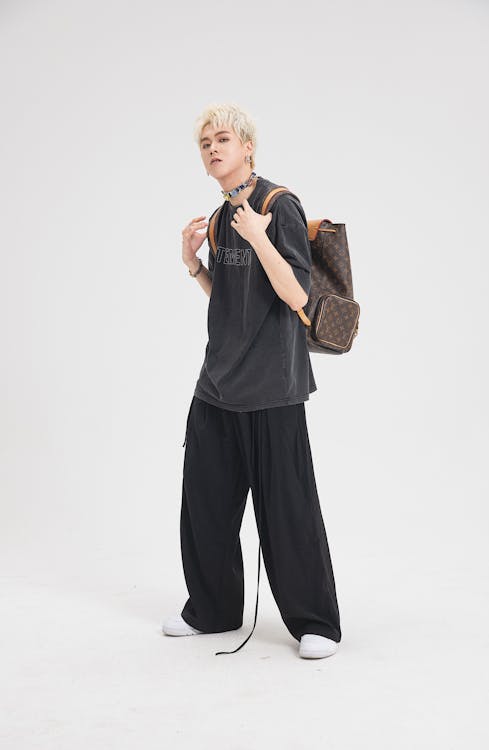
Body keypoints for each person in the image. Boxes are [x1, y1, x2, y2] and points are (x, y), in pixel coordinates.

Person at [162, 103, 342, 659]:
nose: (213, 149)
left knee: (287, 508)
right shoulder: (218, 219)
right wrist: (194, 264)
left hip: (273, 384)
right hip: (216, 383)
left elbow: (296, 297)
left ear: (247, 148)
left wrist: (261, 237)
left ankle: (316, 622)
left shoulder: (278, 204)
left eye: (222, 140)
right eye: (205, 144)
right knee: (205, 504)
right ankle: (212, 609)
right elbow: (232, 299)